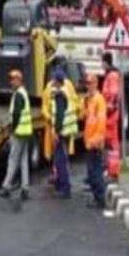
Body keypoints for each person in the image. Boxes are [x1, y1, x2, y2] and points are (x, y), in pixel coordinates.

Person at [0, 69, 33, 200]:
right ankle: (25, 188)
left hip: (18, 133)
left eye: (13, 79)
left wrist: (12, 129)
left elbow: (17, 114)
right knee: (23, 160)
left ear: (19, 80)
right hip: (26, 132)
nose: (11, 82)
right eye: (11, 79)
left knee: (13, 160)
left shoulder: (18, 95)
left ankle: (6, 186)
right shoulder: (23, 93)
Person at [50, 69, 78, 199]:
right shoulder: (66, 91)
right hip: (67, 130)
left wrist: (56, 132)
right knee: (61, 159)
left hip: (62, 132)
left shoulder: (60, 95)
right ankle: (63, 186)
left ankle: (65, 188)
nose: (52, 81)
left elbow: (60, 115)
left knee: (61, 161)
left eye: (54, 79)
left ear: (57, 81)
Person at [84, 73, 108, 208]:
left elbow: (101, 122)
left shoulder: (99, 100)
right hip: (89, 141)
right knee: (91, 171)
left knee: (96, 171)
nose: (88, 86)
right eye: (87, 83)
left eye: (90, 83)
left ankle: (100, 199)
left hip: (95, 142)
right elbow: (86, 117)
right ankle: (97, 197)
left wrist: (96, 140)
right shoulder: (91, 100)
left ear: (95, 84)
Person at [101, 52, 122, 180]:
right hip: (110, 114)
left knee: (112, 145)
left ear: (106, 62)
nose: (101, 64)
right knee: (110, 145)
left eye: (102, 62)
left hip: (111, 115)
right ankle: (110, 170)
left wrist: (109, 110)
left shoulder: (112, 76)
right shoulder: (110, 75)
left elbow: (113, 95)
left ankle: (113, 172)